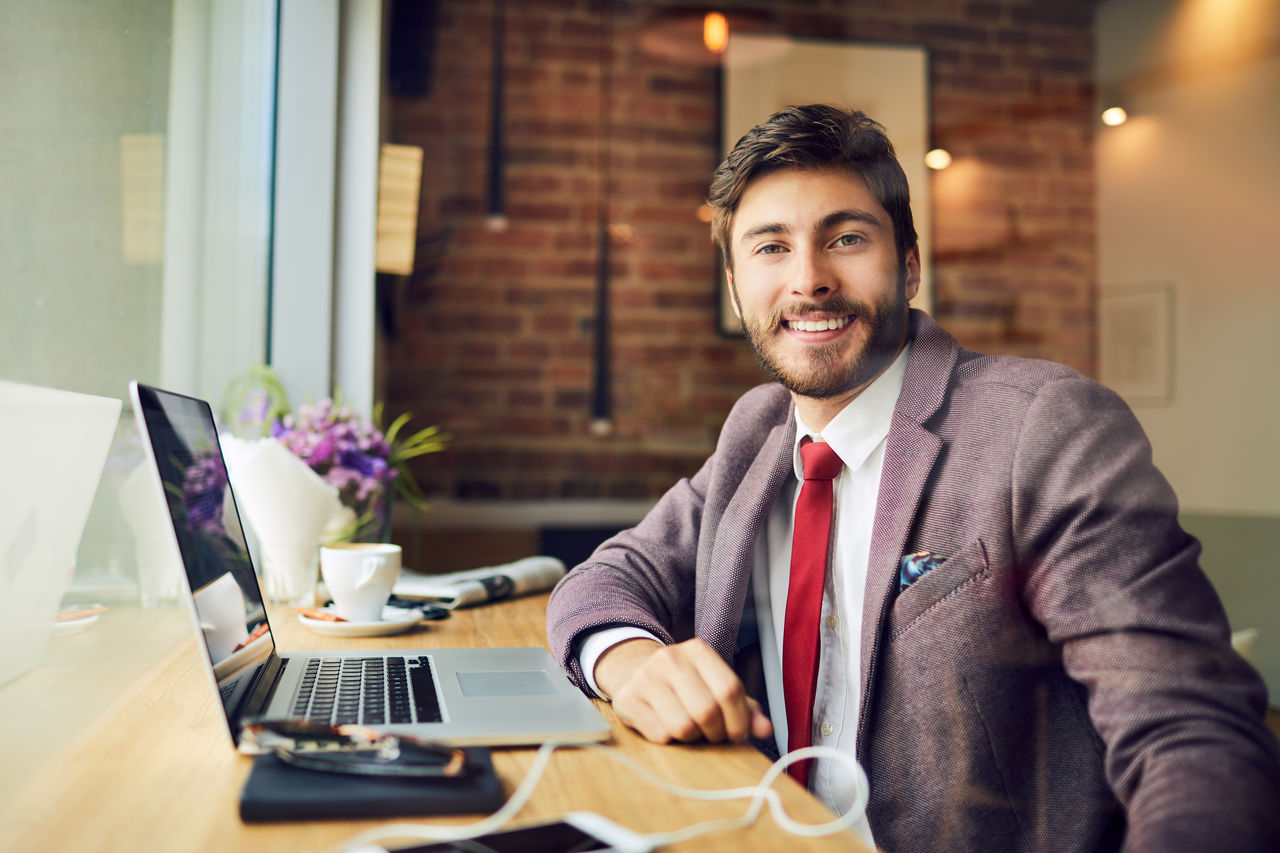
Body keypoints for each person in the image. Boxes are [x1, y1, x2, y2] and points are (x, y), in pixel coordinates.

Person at [545, 104, 1280, 852]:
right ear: (736, 289)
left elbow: (1193, 734)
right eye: (771, 247)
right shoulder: (758, 433)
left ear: (910, 264)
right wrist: (630, 661)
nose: (810, 279)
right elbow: (607, 577)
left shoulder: (1044, 428)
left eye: (847, 238)